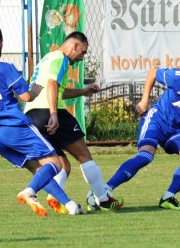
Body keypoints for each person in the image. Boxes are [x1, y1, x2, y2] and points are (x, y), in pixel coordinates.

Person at [0, 25, 83, 217]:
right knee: (55, 163)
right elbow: (26, 97)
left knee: (38, 170)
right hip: (15, 126)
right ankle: (29, 192)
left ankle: (70, 205)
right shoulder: (6, 68)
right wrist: (36, 89)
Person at [105, 54, 180, 210]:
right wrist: (144, 100)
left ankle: (168, 197)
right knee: (146, 156)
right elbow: (153, 72)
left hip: (175, 130)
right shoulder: (179, 77)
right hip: (156, 121)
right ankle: (106, 189)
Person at [24, 31, 123, 213]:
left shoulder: (47, 58)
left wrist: (83, 91)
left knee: (62, 164)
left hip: (32, 115)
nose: (81, 58)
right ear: (74, 46)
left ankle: (55, 196)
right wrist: (54, 114)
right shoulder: (60, 57)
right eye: (83, 52)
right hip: (50, 112)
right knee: (84, 156)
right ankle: (103, 199)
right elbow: (52, 85)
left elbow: (57, 89)